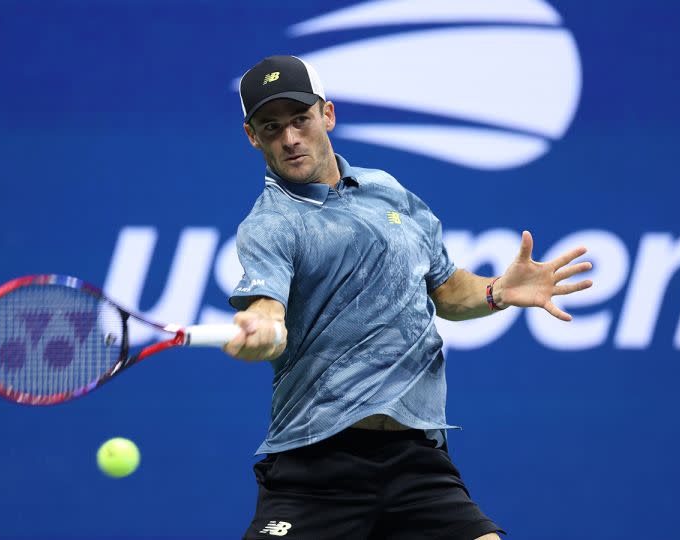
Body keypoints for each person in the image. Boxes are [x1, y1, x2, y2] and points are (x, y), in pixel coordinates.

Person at [225, 55, 593, 540]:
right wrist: (264, 330)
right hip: (315, 466)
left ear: (327, 115)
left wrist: (497, 291)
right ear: (253, 136)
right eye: (272, 127)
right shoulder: (269, 225)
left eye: (301, 120)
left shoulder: (388, 191)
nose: (290, 138)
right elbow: (268, 312)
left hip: (417, 459)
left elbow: (445, 289)